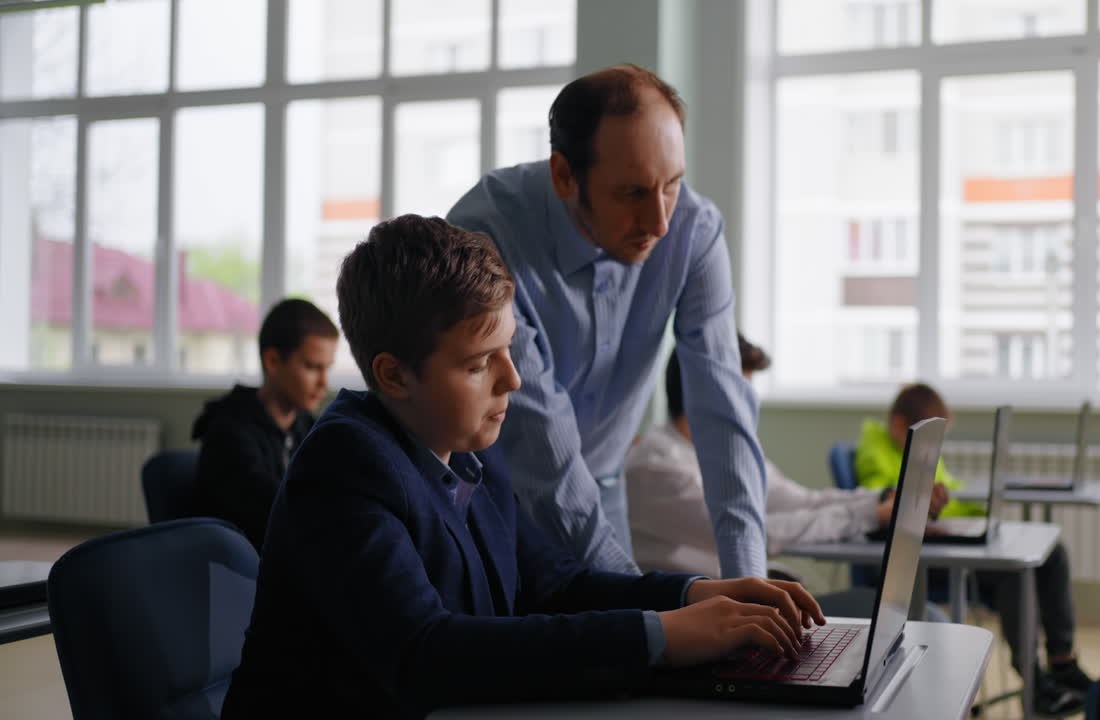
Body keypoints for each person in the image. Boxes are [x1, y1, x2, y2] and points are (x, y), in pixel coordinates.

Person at [220, 215, 826, 718]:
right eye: (480, 362)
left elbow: (555, 585)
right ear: (394, 375)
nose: (512, 378)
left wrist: (695, 594)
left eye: (508, 349)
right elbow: (425, 653)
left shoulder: (469, 447)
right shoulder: (347, 465)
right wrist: (664, 637)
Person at [447, 64, 767, 578]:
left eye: (673, 186)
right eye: (634, 194)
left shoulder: (694, 229)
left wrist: (749, 581)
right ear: (563, 175)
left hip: (603, 484)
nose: (660, 222)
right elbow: (541, 445)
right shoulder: (486, 234)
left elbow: (722, 408)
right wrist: (653, 605)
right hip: (492, 499)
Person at [857, 383, 1094, 714]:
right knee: (1013, 572)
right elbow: (881, 496)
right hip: (919, 558)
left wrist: (981, 521)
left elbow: (947, 493)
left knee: (1054, 554)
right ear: (899, 425)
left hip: (945, 541)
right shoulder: (875, 452)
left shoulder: (915, 446)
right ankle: (1035, 683)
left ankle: (1062, 662)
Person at [627, 334, 950, 578]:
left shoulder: (727, 450)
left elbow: (801, 501)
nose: (750, 403)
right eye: (742, 389)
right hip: (709, 613)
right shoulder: (656, 465)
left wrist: (884, 499)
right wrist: (872, 515)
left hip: (745, 601)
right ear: (702, 391)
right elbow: (753, 535)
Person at [191, 297, 338, 550]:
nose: (324, 382)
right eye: (313, 367)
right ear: (272, 362)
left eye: (327, 368)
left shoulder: (308, 428)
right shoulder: (228, 435)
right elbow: (281, 515)